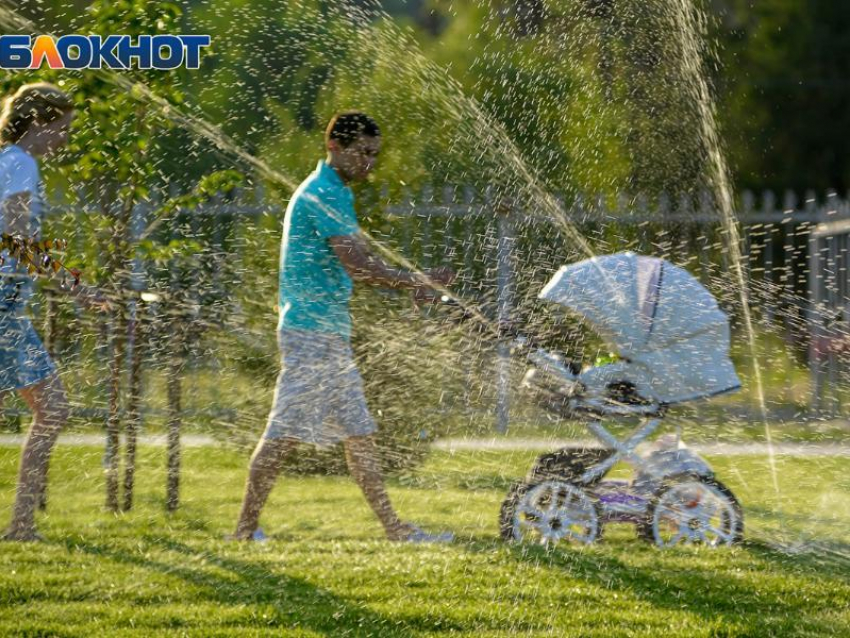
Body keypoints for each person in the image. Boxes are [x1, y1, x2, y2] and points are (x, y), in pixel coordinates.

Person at [233, 112, 454, 542]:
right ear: (334, 146)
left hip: (328, 333)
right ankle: (243, 531)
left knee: (359, 433)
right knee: (281, 435)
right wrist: (415, 280)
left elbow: (360, 264)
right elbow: (357, 266)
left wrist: (408, 281)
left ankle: (395, 529)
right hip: (310, 334)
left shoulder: (332, 191)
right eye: (364, 153)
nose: (370, 162)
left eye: (375, 154)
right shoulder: (323, 192)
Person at [0, 83, 108, 542]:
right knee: (54, 408)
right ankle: (22, 525)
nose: (65, 139)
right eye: (61, 128)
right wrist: (76, 287)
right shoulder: (19, 163)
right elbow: (18, 238)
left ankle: (22, 525)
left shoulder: (9, 160)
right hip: (3, 303)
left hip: (7, 302)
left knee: (50, 408)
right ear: (39, 123)